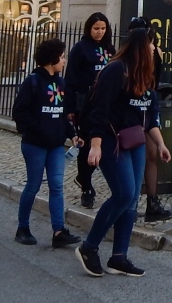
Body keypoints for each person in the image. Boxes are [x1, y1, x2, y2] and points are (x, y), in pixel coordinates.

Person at [76, 22, 172, 278]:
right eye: (151, 45)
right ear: (141, 46)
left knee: (131, 200)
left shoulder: (146, 76)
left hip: (135, 141)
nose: (154, 49)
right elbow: (100, 109)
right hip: (111, 140)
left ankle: (119, 256)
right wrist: (95, 145)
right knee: (123, 193)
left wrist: (160, 143)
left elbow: (149, 117)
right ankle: (89, 247)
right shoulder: (115, 70)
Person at [11, 37, 81, 249]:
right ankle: (23, 228)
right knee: (33, 185)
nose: (64, 61)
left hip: (56, 145)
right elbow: (19, 112)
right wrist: (38, 129)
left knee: (56, 186)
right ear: (52, 59)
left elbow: (62, 114)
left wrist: (72, 134)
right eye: (62, 57)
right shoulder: (32, 82)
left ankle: (59, 231)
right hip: (35, 144)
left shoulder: (61, 83)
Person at [65, 12, 114, 209]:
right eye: (96, 29)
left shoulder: (110, 48)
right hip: (84, 101)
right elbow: (70, 79)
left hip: (105, 100)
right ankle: (86, 186)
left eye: (103, 28)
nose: (100, 32)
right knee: (85, 142)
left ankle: (85, 176)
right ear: (89, 29)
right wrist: (69, 106)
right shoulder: (80, 48)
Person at [139, 19, 172, 223]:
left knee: (152, 153)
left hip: (148, 102)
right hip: (133, 108)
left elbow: (154, 79)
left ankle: (152, 201)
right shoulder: (126, 61)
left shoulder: (156, 53)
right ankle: (129, 203)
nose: (152, 47)